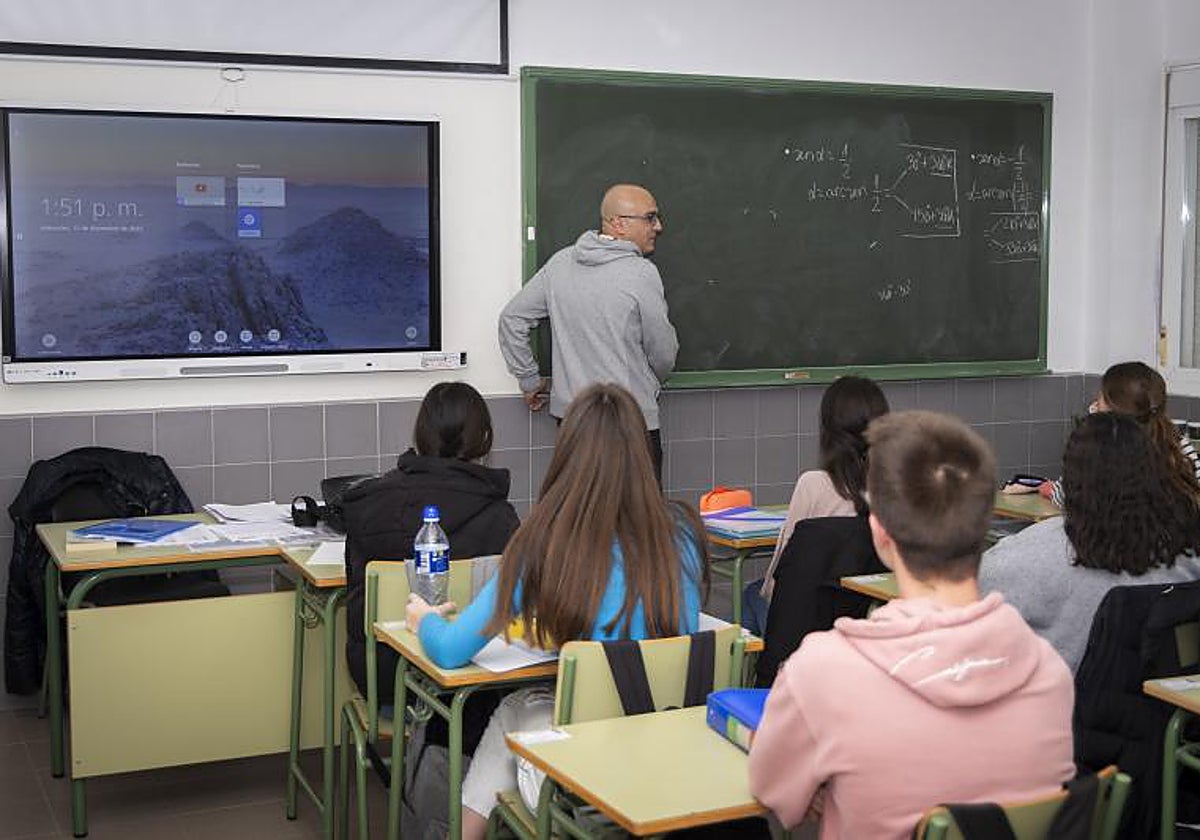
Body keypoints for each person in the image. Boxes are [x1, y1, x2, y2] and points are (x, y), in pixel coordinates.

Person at [748, 411, 1074, 839]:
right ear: (983, 527)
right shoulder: (1049, 672)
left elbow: (774, 792)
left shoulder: (823, 671)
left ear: (880, 533)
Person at [405, 383, 707, 840]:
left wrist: (422, 617)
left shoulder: (544, 542)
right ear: (643, 454)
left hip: (584, 780)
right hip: (673, 765)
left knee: (511, 710)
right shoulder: (683, 532)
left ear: (566, 455)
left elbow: (450, 650)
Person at [981, 411, 1200, 672]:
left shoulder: (1021, 557)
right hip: (1161, 708)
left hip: (1055, 707)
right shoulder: (1186, 552)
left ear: (1070, 480)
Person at [342, 381, 520, 700]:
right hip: (471, 683)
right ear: (485, 439)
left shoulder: (368, 504)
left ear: (420, 436)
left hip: (381, 679)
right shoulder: (500, 517)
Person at [497, 183, 677, 479]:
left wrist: (529, 381)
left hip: (574, 425)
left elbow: (511, 319)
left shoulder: (561, 263)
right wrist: (651, 382)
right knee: (639, 521)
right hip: (630, 422)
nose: (658, 226)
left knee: (580, 518)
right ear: (619, 224)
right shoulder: (641, 273)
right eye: (650, 217)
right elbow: (663, 349)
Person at [742, 376, 889, 633]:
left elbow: (777, 578)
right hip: (860, 624)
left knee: (752, 593)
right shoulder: (894, 491)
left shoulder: (813, 485)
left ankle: (764, 673)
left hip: (804, 628)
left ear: (828, 429)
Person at [1039, 360, 1200, 506]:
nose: (1094, 404)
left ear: (1113, 409)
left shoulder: (1099, 447)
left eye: (1099, 400)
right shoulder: (1178, 445)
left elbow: (1066, 497)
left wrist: (1047, 489)